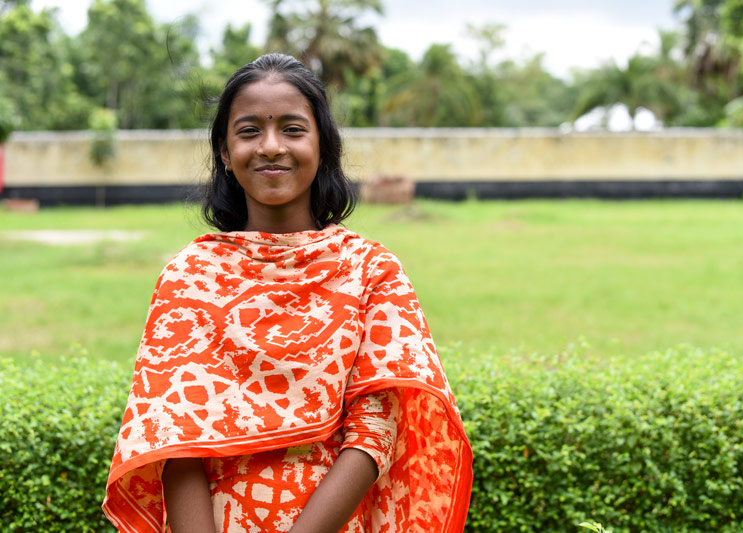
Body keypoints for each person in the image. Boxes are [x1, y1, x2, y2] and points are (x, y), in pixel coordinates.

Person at [102, 53, 473, 533]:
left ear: (323, 145)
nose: (271, 146)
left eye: (293, 130)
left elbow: (374, 430)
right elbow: (174, 437)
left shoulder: (370, 271)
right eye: (250, 130)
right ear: (223, 150)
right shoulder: (191, 276)